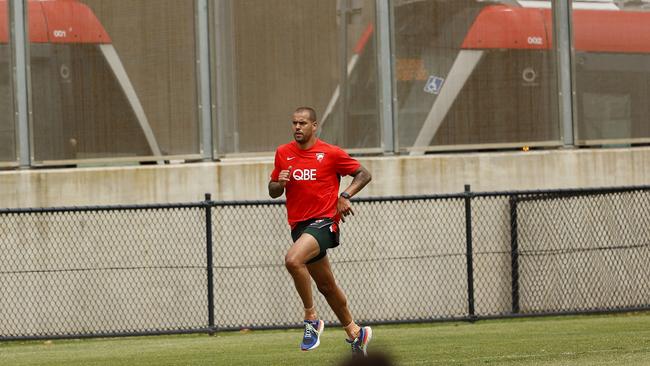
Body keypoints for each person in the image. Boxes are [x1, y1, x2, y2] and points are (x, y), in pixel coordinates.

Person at [268, 106, 373, 356]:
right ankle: (356, 333)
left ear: (314, 126)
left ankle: (311, 319)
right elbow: (273, 191)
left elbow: (363, 174)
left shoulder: (330, 153)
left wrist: (344, 195)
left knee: (293, 260)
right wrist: (278, 183)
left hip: (325, 222)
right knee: (326, 286)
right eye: (294, 123)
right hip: (299, 227)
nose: (297, 127)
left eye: (303, 123)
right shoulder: (283, 153)